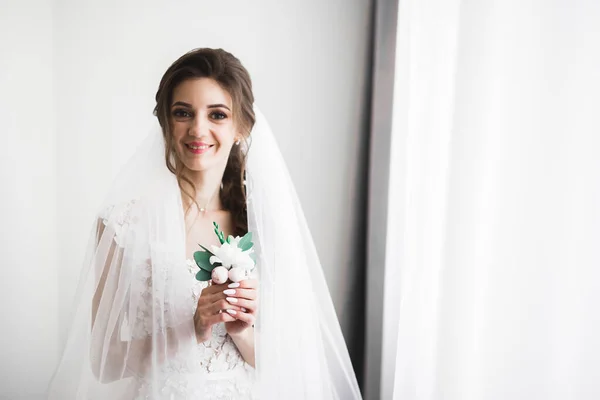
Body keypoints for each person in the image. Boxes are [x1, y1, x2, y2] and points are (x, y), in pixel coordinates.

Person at [47, 48, 362, 400]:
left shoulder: (263, 227)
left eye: (217, 114)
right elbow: (104, 365)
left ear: (241, 126)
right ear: (166, 122)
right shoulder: (124, 224)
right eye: (183, 113)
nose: (198, 129)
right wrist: (192, 328)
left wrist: (240, 332)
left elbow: (295, 363)